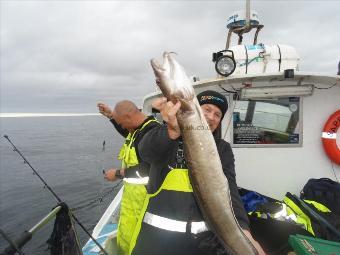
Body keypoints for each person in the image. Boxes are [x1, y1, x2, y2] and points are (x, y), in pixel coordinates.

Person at [127, 91, 265, 255]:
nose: (212, 117)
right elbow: (146, 153)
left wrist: (245, 232)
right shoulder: (169, 135)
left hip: (203, 244)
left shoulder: (222, 149)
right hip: (156, 242)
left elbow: (230, 193)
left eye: (217, 114)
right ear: (194, 111)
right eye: (206, 109)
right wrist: (170, 130)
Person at [97, 100, 160, 255]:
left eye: (122, 123)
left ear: (128, 117)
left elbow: (149, 169)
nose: (123, 128)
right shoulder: (140, 130)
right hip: (133, 201)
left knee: (140, 242)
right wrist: (112, 116)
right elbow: (129, 133)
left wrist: (117, 174)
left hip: (145, 203)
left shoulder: (152, 133)